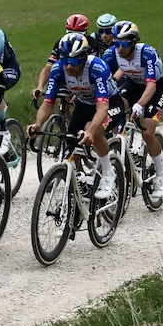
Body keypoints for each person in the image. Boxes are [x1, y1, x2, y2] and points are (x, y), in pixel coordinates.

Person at [29, 32, 119, 200]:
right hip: (85, 103)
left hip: (110, 102)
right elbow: (48, 103)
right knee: (71, 140)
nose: (69, 66)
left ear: (84, 58)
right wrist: (38, 124)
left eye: (74, 61)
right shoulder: (58, 70)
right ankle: (79, 180)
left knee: (94, 130)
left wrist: (90, 131)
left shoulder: (96, 68)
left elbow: (102, 107)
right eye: (65, 60)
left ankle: (108, 172)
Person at [106, 21, 163, 175]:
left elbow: (151, 86)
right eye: (117, 43)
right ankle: (121, 144)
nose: (120, 48)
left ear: (134, 42)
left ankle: (161, 173)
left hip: (155, 86)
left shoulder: (146, 53)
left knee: (147, 132)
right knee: (116, 109)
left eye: (124, 44)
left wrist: (140, 104)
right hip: (133, 83)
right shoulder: (111, 53)